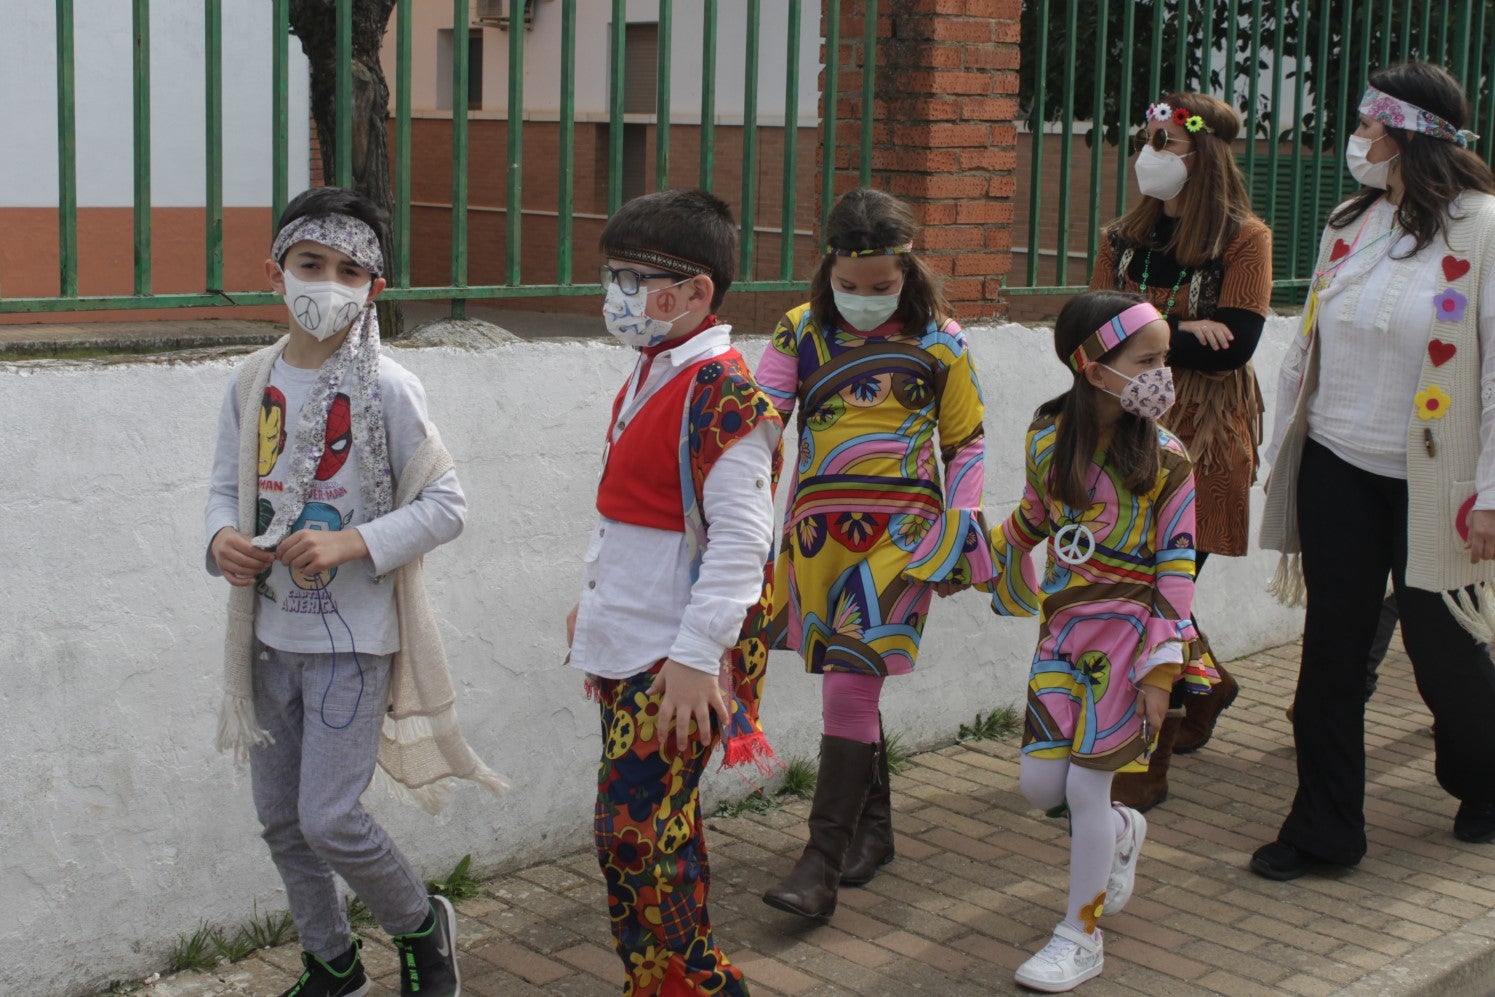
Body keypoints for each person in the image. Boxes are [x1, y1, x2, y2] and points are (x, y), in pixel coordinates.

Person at [206, 186, 504, 997]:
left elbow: (446, 505)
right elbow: (223, 494)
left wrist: (349, 541)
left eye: (349, 270)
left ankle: (417, 923)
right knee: (282, 820)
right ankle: (331, 961)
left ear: (375, 288)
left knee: (329, 816)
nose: (326, 283)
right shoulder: (251, 381)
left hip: (351, 643)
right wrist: (219, 541)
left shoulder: (389, 389)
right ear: (275, 271)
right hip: (269, 643)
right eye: (310, 264)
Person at [1254, 62, 1495, 880]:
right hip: (1336, 464)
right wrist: (1284, 440)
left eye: (1366, 124)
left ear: (1403, 133)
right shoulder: (1348, 222)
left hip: (1434, 480)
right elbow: (1312, 341)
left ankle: (1483, 777)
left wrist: (1492, 496)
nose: (1355, 137)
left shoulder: (1484, 228)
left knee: (1444, 650)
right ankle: (1324, 828)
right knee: (1330, 647)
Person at [754, 187, 995, 921]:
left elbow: (966, 442)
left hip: (901, 545)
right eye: (848, 286)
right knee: (850, 680)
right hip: (816, 541)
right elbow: (760, 425)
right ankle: (876, 829)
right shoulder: (797, 332)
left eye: (881, 287)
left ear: (909, 269)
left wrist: (960, 535)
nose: (863, 299)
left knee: (849, 682)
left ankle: (819, 861)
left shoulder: (941, 341)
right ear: (827, 268)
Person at [565, 187, 780, 995]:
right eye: (611, 274)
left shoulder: (725, 397)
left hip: (673, 659)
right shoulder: (654, 373)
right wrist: (595, 596)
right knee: (659, 830)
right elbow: (639, 516)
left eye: (634, 278)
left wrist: (695, 660)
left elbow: (741, 542)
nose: (616, 293)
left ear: (696, 293)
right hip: (634, 637)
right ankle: (672, 981)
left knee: (630, 834)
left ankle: (693, 981)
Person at [989, 291, 1215, 992]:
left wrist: (1161, 668)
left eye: (1163, 360)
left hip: (1129, 647)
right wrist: (966, 559)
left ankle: (1078, 933)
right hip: (1060, 638)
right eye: (1145, 360)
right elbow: (1033, 514)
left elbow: (1176, 569)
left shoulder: (1170, 460)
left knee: (1086, 788)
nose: (1161, 375)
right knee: (1040, 787)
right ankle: (1121, 831)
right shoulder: (1046, 437)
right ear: (1092, 367)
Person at [1089, 91, 1273, 809]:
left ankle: (1146, 762)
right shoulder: (1120, 236)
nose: (1148, 155)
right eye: (1146, 140)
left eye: (1163, 144)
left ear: (1202, 156)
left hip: (1199, 435)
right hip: (1120, 428)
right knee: (1135, 580)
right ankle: (1209, 684)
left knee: (1158, 589)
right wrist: (1186, 324)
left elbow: (1236, 349)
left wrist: (1144, 329)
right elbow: (1092, 327)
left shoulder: (1242, 239)